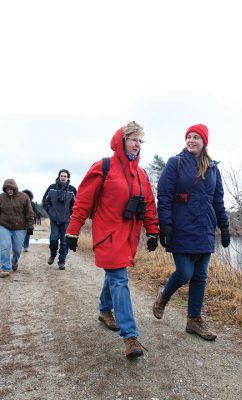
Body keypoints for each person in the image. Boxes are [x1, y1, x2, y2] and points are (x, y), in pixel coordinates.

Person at [66, 121, 159, 359]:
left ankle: (105, 310)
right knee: (119, 279)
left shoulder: (141, 174)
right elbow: (83, 201)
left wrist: (152, 231)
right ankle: (130, 337)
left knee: (114, 276)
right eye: (133, 139)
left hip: (128, 237)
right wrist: (73, 230)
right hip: (107, 236)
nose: (137, 144)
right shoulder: (103, 167)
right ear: (122, 140)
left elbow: (148, 204)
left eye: (140, 140)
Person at [153, 124, 230, 341]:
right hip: (181, 227)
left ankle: (194, 320)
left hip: (205, 228)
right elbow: (165, 195)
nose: (191, 140)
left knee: (200, 276)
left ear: (204, 141)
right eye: (189, 137)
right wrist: (165, 224)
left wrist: (223, 227)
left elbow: (218, 200)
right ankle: (164, 296)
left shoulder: (213, 168)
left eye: (196, 137)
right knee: (185, 273)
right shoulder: (175, 163)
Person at [42, 169, 76, 270]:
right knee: (53, 239)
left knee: (64, 241)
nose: (63, 178)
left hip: (66, 220)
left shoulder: (72, 189)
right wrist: (51, 212)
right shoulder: (51, 188)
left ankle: (61, 262)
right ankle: (53, 254)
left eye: (65, 176)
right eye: (62, 176)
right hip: (54, 219)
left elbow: (76, 204)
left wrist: (70, 213)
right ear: (59, 176)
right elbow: (45, 201)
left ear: (68, 177)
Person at [0, 179, 35, 278]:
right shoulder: (1, 197)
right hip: (4, 226)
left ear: (15, 187)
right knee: (4, 246)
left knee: (17, 249)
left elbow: (29, 213)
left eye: (11, 188)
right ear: (5, 188)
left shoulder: (24, 197)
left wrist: (30, 227)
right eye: (7, 188)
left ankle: (14, 261)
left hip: (20, 227)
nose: (9, 190)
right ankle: (5, 268)